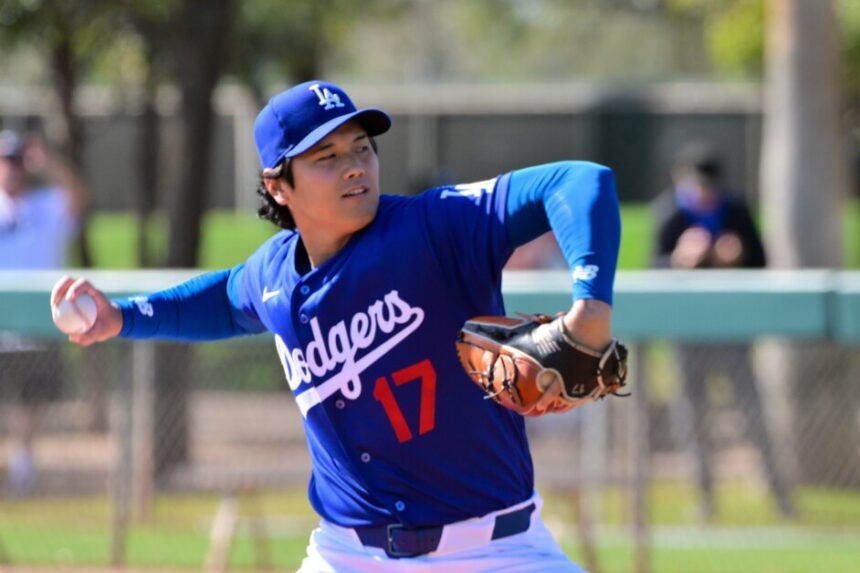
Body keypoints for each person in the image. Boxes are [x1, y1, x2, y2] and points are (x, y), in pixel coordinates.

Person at [52, 80, 621, 571]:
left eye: (362, 147)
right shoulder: (273, 274)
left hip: (496, 549)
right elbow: (224, 300)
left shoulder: (435, 226)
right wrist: (121, 317)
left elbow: (578, 180)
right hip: (349, 555)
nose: (354, 166)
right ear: (278, 185)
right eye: (325, 156)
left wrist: (591, 306)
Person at [652, 140, 795, 520]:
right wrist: (679, 261)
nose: (704, 194)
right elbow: (653, 270)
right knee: (693, 418)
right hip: (687, 334)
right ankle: (704, 500)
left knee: (753, 412)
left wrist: (738, 257)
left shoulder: (735, 210)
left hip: (732, 333)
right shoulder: (670, 213)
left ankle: (779, 496)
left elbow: (761, 261)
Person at [0, 128, 86, 494]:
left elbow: (77, 197)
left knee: (31, 401)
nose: (12, 169)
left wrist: (49, 164)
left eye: (17, 161)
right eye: (6, 161)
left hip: (36, 326)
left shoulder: (46, 207)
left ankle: (22, 462)